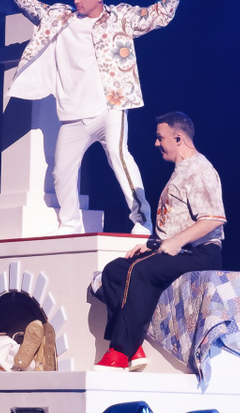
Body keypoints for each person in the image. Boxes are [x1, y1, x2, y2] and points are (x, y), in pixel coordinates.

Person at [0, 0, 184, 235]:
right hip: (73, 114)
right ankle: (71, 225)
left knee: (120, 158)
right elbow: (31, 5)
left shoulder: (119, 18)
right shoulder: (60, 18)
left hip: (109, 108)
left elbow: (157, 16)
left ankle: (142, 221)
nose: (76, 0)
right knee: (62, 172)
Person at [93, 112, 224, 371]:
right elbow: (176, 221)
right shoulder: (181, 171)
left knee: (140, 271)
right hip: (179, 249)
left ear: (178, 138)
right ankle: (134, 346)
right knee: (114, 271)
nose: (156, 143)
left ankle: (120, 351)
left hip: (200, 253)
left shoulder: (200, 169)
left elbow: (214, 219)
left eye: (160, 138)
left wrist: (176, 242)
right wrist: (151, 244)